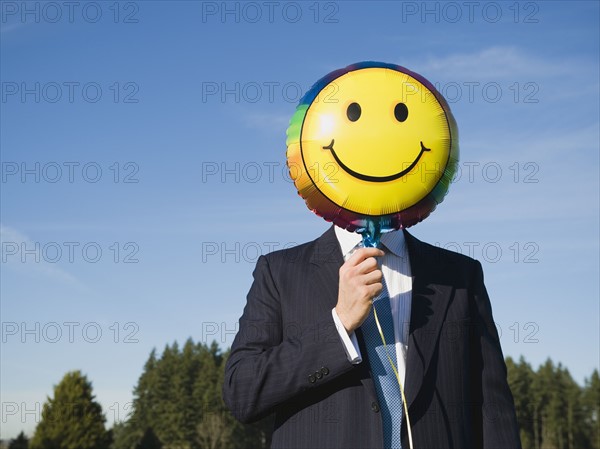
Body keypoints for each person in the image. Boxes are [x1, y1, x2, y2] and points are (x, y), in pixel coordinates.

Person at [222, 224, 522, 449]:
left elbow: (493, 407)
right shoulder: (279, 271)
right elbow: (243, 393)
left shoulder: (461, 274)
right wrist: (339, 325)